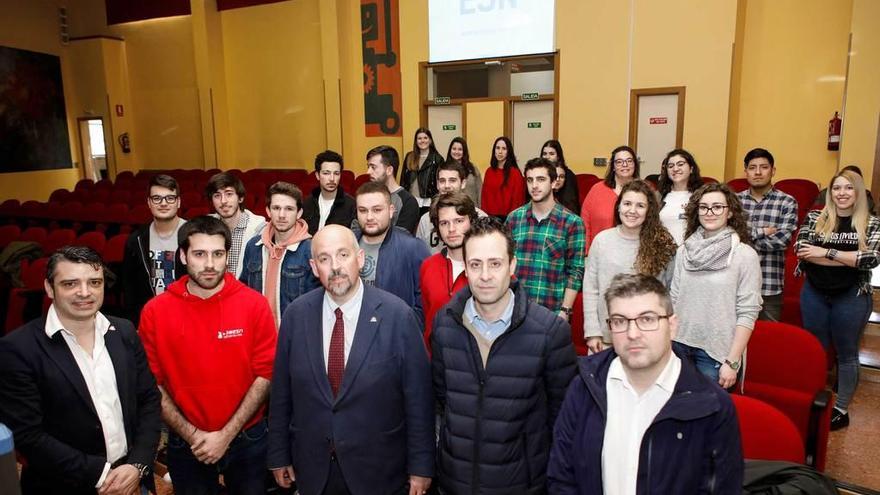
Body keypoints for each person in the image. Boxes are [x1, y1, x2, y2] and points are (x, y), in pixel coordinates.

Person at [268, 225, 434, 495]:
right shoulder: (296, 316)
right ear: (313, 266)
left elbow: (418, 399)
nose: (335, 266)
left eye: (343, 255)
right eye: (324, 259)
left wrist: (421, 466)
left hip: (379, 470)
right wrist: (278, 454)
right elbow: (281, 394)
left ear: (359, 259)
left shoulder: (397, 316)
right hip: (312, 469)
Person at [547, 273, 743, 494]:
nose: (633, 333)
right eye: (620, 321)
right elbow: (561, 476)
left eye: (647, 319)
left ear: (672, 325)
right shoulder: (583, 386)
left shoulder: (712, 406)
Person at [431, 217, 577, 494]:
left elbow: (563, 420)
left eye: (495, 263)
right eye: (475, 264)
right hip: (455, 482)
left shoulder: (549, 332)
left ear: (512, 265)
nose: (485, 275)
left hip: (521, 484)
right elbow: (442, 400)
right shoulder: (444, 324)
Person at [0, 246, 161, 494]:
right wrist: (102, 475)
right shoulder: (17, 349)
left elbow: (149, 400)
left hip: (132, 479)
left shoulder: (125, 331)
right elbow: (28, 435)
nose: (85, 292)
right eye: (70, 284)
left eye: (94, 282)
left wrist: (137, 465)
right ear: (49, 288)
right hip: (64, 485)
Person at [138, 216, 277, 494]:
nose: (210, 264)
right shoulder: (155, 312)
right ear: (183, 255)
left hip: (248, 438)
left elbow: (265, 374)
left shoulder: (254, 305)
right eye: (200, 254)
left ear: (228, 255)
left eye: (218, 254)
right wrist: (195, 436)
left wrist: (225, 435)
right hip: (185, 442)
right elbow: (152, 384)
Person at [795, 169, 880, 430]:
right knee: (816, 350)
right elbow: (801, 251)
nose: (841, 193)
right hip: (815, 293)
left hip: (851, 295)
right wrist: (846, 257)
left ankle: (841, 408)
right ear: (830, 193)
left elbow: (870, 259)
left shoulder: (871, 223)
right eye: (836, 188)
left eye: (848, 188)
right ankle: (816, 400)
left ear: (858, 192)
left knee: (847, 354)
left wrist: (825, 251)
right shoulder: (815, 217)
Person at [671, 183, 762, 388]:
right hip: (678, 346)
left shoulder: (744, 255)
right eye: (704, 207)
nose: (709, 212)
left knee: (707, 416)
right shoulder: (684, 251)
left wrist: (732, 361)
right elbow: (674, 298)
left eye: (717, 207)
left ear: (730, 212)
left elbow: (748, 312)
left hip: (715, 354)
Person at [583, 180, 677, 354]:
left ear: (649, 211)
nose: (632, 211)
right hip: (606, 339)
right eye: (627, 204)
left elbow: (671, 292)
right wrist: (592, 332)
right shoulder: (602, 240)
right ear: (618, 207)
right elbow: (591, 289)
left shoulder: (662, 245)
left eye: (640, 205)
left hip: (646, 339)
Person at [506, 158, 585, 318]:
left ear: (554, 183)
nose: (534, 185)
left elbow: (575, 271)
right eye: (530, 180)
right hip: (514, 309)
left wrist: (565, 310)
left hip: (551, 312)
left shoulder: (572, 222)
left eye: (541, 179)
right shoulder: (514, 219)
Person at [240, 182, 320, 326]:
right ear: (268, 211)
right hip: (259, 334)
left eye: (289, 209)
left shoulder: (311, 249)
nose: (282, 215)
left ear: (299, 213)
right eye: (276, 208)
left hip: (295, 335)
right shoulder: (253, 247)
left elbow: (316, 303)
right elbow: (244, 291)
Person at [355, 180, 430, 325]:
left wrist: (407, 330)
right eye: (363, 210)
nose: (369, 217)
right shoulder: (348, 244)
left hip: (396, 334)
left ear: (391, 211)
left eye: (377, 210)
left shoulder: (413, 248)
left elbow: (425, 301)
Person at [737, 148, 798, 321]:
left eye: (763, 167)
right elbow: (727, 238)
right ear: (745, 172)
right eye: (752, 167)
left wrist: (743, 239)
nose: (757, 172)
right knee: (733, 341)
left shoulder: (786, 201)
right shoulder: (734, 201)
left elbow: (782, 241)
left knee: (769, 340)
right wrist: (762, 232)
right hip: (736, 283)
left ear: (773, 171)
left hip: (769, 284)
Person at [122, 173, 186, 325]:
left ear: (178, 202)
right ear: (149, 203)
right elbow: (130, 289)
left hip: (187, 318)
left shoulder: (195, 235)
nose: (163, 203)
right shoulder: (135, 241)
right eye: (156, 198)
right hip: (151, 321)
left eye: (170, 198)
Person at [420, 191, 479, 346]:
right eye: (444, 223)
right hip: (436, 361)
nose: (451, 229)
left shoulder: (490, 267)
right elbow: (427, 320)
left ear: (471, 221)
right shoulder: (428, 266)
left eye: (459, 221)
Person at [415, 160, 486, 254]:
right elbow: (419, 255)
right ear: (437, 184)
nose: (447, 186)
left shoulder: (480, 217)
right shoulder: (425, 220)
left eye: (452, 180)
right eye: (442, 181)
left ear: (463, 183)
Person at [580, 145, 639, 254]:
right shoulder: (597, 189)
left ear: (635, 164)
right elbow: (585, 222)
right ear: (613, 166)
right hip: (600, 252)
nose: (625, 165)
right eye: (619, 162)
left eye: (629, 161)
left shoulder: (643, 190)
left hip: (633, 253)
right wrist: (586, 251)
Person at [206, 172, 266, 278]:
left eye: (229, 194)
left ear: (240, 198)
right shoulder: (205, 228)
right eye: (217, 195)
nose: (223, 201)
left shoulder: (260, 230)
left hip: (246, 292)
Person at [366, 145, 420, 234]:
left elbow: (401, 238)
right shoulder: (367, 197)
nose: (368, 172)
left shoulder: (408, 202)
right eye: (368, 167)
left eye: (373, 167)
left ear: (389, 170)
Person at [302, 149, 356, 235]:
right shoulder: (306, 204)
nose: (332, 178)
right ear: (317, 175)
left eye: (336, 173)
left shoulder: (351, 205)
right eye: (326, 173)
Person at [657, 148, 703, 245]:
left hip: (692, 252)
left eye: (680, 164)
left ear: (691, 168)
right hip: (663, 253)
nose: (675, 169)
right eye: (670, 166)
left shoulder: (701, 196)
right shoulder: (658, 196)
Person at [481, 136, 525, 220]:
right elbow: (484, 197)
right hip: (490, 218)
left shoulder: (515, 173)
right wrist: (484, 217)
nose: (500, 152)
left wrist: (512, 219)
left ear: (508, 152)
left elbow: (518, 200)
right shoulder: (489, 171)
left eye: (504, 149)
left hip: (508, 218)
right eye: (497, 148)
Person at [401, 127, 444, 211]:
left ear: (430, 140)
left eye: (425, 138)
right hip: (411, 199)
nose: (422, 141)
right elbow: (403, 179)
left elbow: (440, 181)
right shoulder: (409, 156)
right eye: (419, 138)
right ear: (416, 141)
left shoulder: (438, 159)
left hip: (428, 201)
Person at [542, 139, 580, 214]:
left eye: (551, 154)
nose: (547, 157)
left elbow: (570, 203)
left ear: (558, 156)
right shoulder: (538, 173)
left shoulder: (568, 174)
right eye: (544, 154)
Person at [446, 136, 482, 207]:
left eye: (460, 149)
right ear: (450, 150)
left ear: (464, 151)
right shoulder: (445, 169)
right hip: (451, 209)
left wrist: (480, 208)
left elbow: (480, 191)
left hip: (471, 208)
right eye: (454, 149)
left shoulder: (473, 169)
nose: (456, 152)